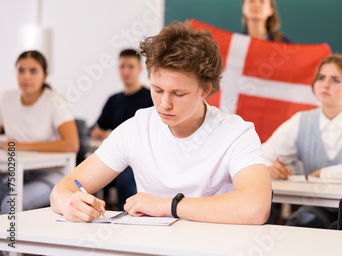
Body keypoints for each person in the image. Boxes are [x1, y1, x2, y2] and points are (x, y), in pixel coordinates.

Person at [50, 21, 272, 224]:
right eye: (157, 90)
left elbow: (256, 207)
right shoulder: (137, 128)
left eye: (178, 93)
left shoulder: (236, 133)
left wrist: (167, 206)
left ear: (205, 89)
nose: (164, 104)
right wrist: (70, 202)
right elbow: (62, 189)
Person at [262, 54, 342, 228]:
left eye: (335, 80)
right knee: (299, 225)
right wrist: (269, 167)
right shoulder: (301, 120)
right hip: (317, 206)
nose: (326, 84)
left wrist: (322, 173)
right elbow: (262, 153)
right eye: (321, 78)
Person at [0, 50, 79, 213]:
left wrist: (21, 146)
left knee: (9, 204)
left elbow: (72, 144)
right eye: (21, 70)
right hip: (15, 171)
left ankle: (13, 239)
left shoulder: (54, 101)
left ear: (45, 75)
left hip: (52, 175)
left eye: (33, 71)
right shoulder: (7, 98)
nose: (26, 76)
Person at [90, 49, 153, 210]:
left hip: (137, 158)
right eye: (122, 66)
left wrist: (115, 135)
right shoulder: (113, 100)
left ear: (139, 69)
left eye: (131, 66)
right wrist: (98, 133)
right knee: (90, 172)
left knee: (125, 175)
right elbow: (97, 127)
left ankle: (128, 216)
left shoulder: (150, 97)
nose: (126, 71)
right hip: (114, 157)